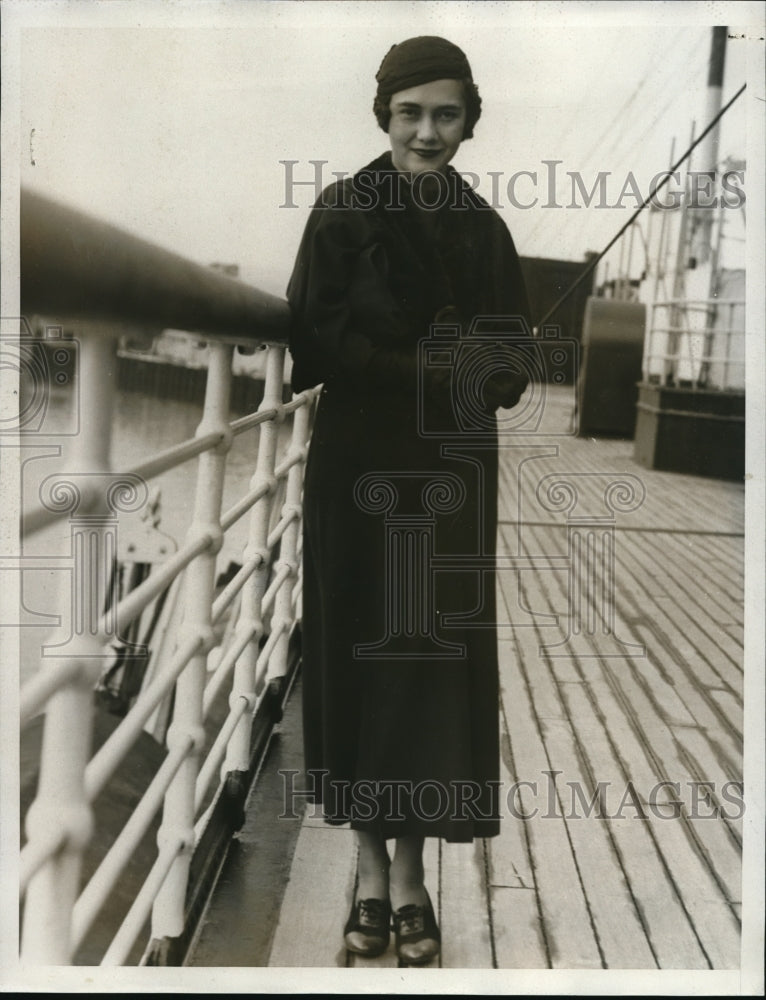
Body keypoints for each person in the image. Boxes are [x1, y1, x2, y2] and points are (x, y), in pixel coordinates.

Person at [286, 35, 532, 965]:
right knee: (358, 650)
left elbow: (511, 367)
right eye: (410, 114)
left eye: (447, 114)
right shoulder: (342, 217)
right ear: (383, 116)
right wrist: (434, 366)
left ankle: (416, 877)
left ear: (471, 119)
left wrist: (474, 368)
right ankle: (369, 872)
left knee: (426, 666)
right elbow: (319, 338)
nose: (428, 133)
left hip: (454, 475)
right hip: (358, 469)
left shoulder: (486, 231)